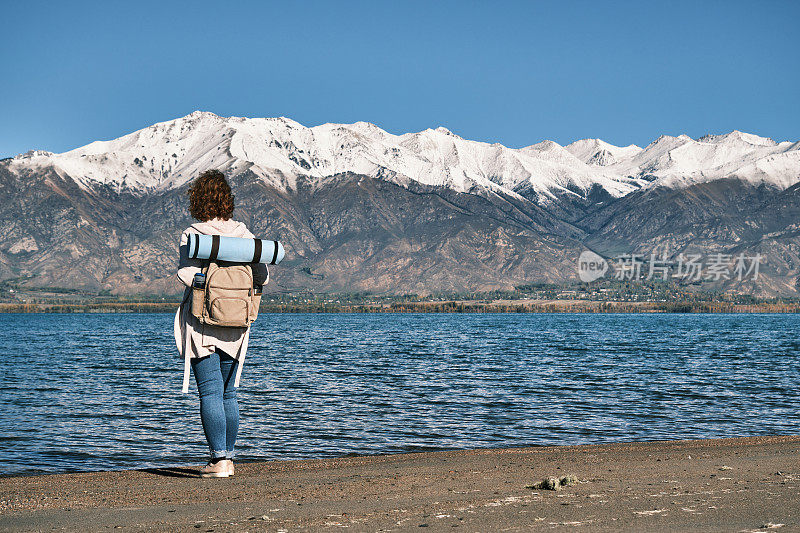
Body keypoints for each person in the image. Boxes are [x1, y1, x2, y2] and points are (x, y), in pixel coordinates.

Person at [174, 169, 268, 478]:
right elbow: (263, 276)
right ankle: (227, 458)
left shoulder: (193, 233)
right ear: (227, 201)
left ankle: (218, 460)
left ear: (197, 201)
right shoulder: (244, 234)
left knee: (210, 392)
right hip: (237, 322)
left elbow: (186, 274)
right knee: (228, 393)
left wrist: (208, 280)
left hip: (202, 321)